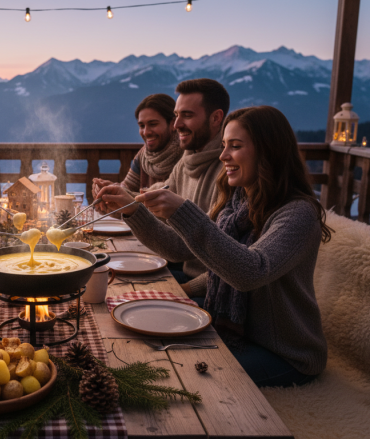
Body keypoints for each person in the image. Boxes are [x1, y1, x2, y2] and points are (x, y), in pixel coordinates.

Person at [97, 106, 332, 387]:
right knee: (139, 329)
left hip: (283, 353)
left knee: (170, 368)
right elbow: (178, 249)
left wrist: (182, 211)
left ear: (268, 151)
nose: (223, 156)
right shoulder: (236, 202)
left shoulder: (298, 214)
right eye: (223, 145)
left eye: (235, 146)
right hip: (238, 326)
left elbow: (250, 272)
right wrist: (132, 211)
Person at [96, 78, 230, 293]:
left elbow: (222, 259)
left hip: (208, 289)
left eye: (187, 115)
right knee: (111, 281)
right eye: (177, 116)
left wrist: (131, 207)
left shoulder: (229, 172)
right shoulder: (187, 160)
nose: (177, 125)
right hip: (185, 271)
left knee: (117, 289)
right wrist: (122, 200)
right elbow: (157, 206)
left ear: (216, 118)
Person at [92, 93, 181, 195]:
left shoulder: (185, 156)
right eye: (142, 126)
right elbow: (128, 188)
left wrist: (121, 195)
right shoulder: (143, 156)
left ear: (173, 123)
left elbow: (166, 200)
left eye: (153, 124)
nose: (146, 132)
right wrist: (111, 190)